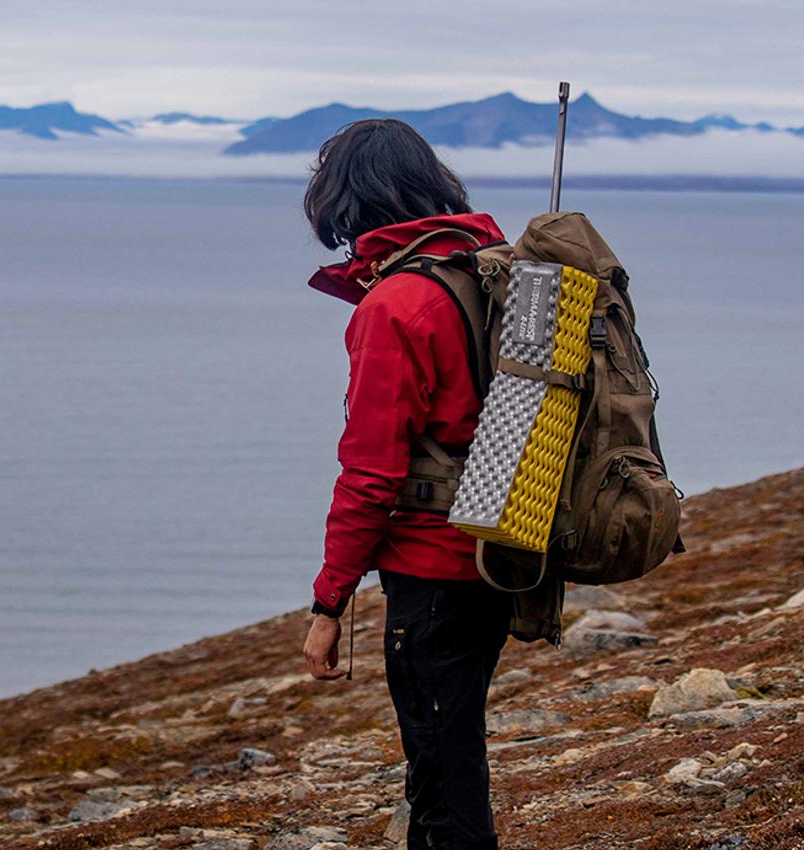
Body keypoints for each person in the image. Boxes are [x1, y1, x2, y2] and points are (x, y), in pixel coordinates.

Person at [299, 118, 513, 850]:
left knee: (445, 778)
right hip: (499, 551)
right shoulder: (490, 270)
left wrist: (330, 600)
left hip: (433, 571)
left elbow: (371, 473)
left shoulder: (397, 305)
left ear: (347, 200)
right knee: (443, 763)